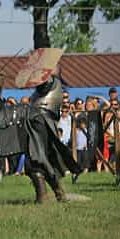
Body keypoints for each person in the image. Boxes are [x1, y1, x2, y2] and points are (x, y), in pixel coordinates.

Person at [25, 64, 82, 203]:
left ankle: (50, 195)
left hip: (42, 122)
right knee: (39, 160)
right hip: (37, 122)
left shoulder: (51, 82)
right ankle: (50, 195)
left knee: (39, 160)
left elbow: (44, 84)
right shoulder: (46, 86)